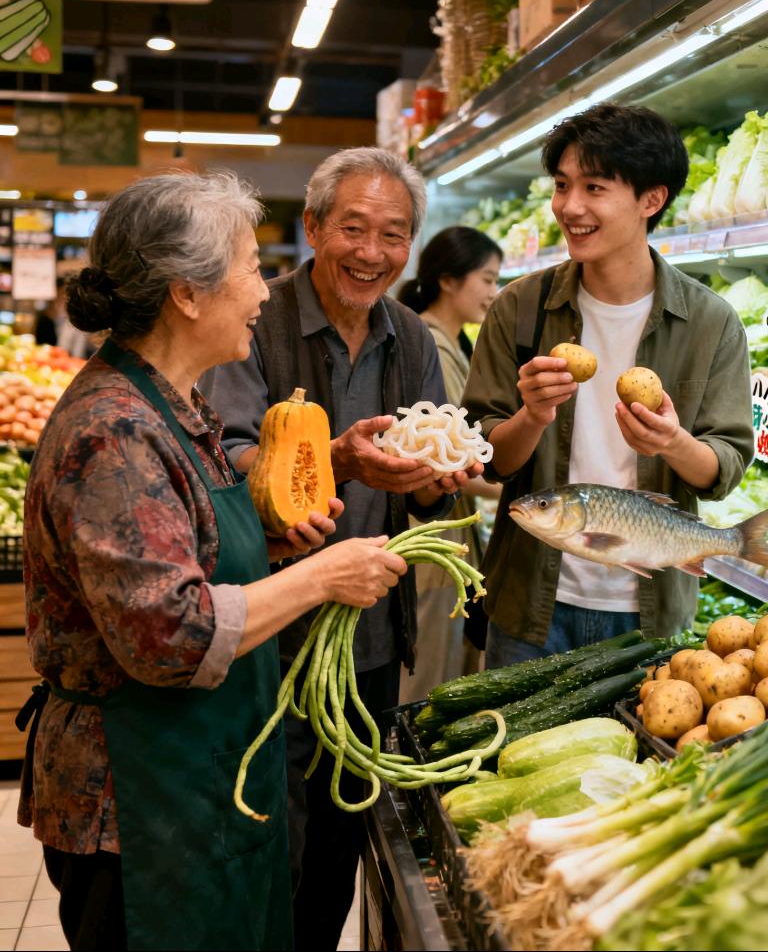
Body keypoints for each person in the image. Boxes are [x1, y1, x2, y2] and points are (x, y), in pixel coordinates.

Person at [16, 171, 408, 952]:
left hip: (192, 774)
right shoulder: (114, 433)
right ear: (186, 294)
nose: (264, 293)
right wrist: (322, 576)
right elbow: (171, 636)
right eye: (248, 268)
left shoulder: (176, 404)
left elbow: (179, 550)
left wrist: (275, 538)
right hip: (131, 801)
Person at [201, 147, 482, 950]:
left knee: (340, 841)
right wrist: (337, 461)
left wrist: (437, 471)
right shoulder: (256, 320)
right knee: (268, 843)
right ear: (314, 227)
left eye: (393, 235)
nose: (371, 252)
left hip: (367, 640)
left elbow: (425, 491)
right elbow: (229, 465)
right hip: (272, 633)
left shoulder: (410, 339)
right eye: (352, 228)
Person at [462, 103, 755, 669]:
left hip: (648, 613)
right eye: (562, 185)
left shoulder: (712, 322)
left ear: (652, 199)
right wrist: (531, 416)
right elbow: (488, 460)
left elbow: (722, 471)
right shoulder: (519, 309)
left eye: (594, 187)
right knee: (513, 756)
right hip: (529, 603)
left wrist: (672, 441)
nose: (570, 207)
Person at [396, 225, 504, 700]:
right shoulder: (432, 348)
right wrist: (515, 490)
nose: (493, 293)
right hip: (431, 538)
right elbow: (447, 459)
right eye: (487, 279)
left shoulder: (455, 343)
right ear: (448, 280)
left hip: (446, 538)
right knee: (425, 679)